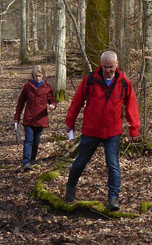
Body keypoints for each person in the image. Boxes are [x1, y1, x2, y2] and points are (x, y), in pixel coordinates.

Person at [64, 50, 140, 212]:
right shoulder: (90, 80)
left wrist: (134, 129)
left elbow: (132, 106)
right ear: (101, 65)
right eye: (105, 67)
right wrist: (70, 121)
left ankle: (113, 198)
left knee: (113, 165)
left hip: (112, 132)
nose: (108, 70)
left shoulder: (124, 82)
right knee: (80, 162)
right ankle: (70, 189)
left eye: (111, 67)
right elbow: (77, 101)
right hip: (91, 130)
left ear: (117, 65)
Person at [14, 64, 56, 171]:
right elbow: (20, 103)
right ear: (33, 76)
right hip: (29, 118)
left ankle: (32, 159)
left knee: (36, 141)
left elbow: (52, 100)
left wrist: (52, 106)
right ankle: (26, 162)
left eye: (39, 76)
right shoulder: (27, 87)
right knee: (28, 140)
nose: (37, 78)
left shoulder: (47, 88)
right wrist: (16, 117)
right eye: (36, 76)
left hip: (40, 119)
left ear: (43, 76)